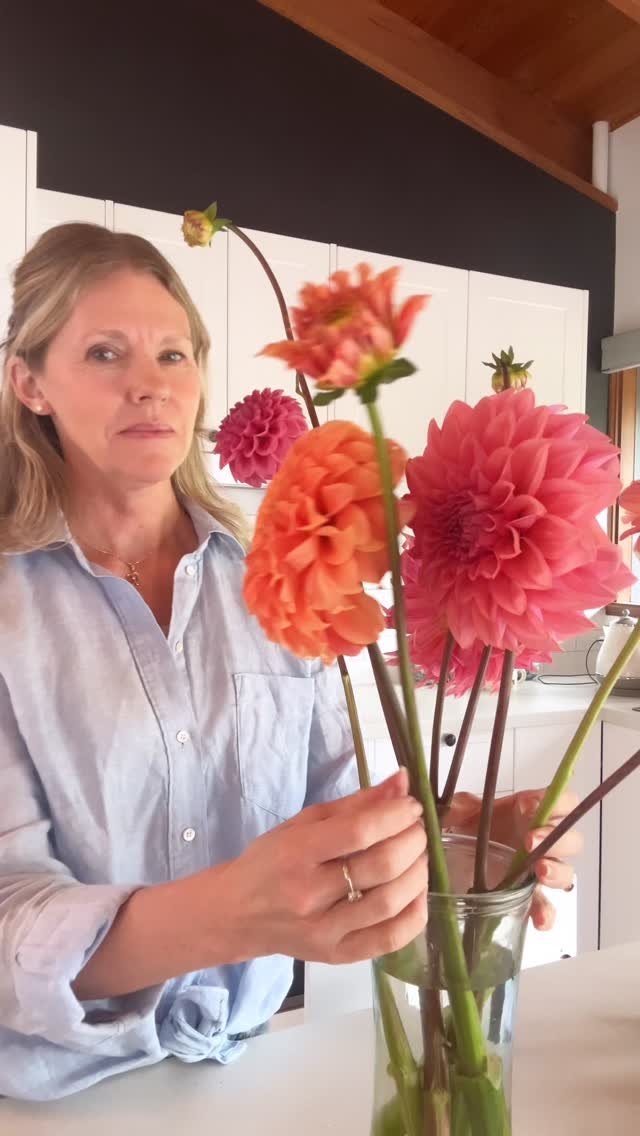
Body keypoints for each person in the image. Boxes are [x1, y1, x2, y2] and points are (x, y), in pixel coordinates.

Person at [0, 223, 581, 1102]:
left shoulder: (273, 581)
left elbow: (336, 811)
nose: (151, 384)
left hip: (247, 1071)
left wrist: (463, 838)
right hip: (54, 1093)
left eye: (174, 353)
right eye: (105, 353)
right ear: (30, 383)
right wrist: (233, 913)